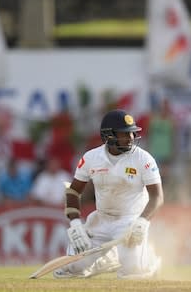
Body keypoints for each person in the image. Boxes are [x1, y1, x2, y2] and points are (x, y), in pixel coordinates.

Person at [53, 109, 164, 279]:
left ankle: (148, 260)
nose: (131, 138)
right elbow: (74, 191)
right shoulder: (91, 157)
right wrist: (75, 223)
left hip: (131, 220)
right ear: (108, 136)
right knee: (71, 269)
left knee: (133, 272)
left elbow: (157, 196)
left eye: (132, 134)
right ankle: (108, 259)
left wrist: (142, 221)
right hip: (101, 219)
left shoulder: (143, 158)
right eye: (124, 134)